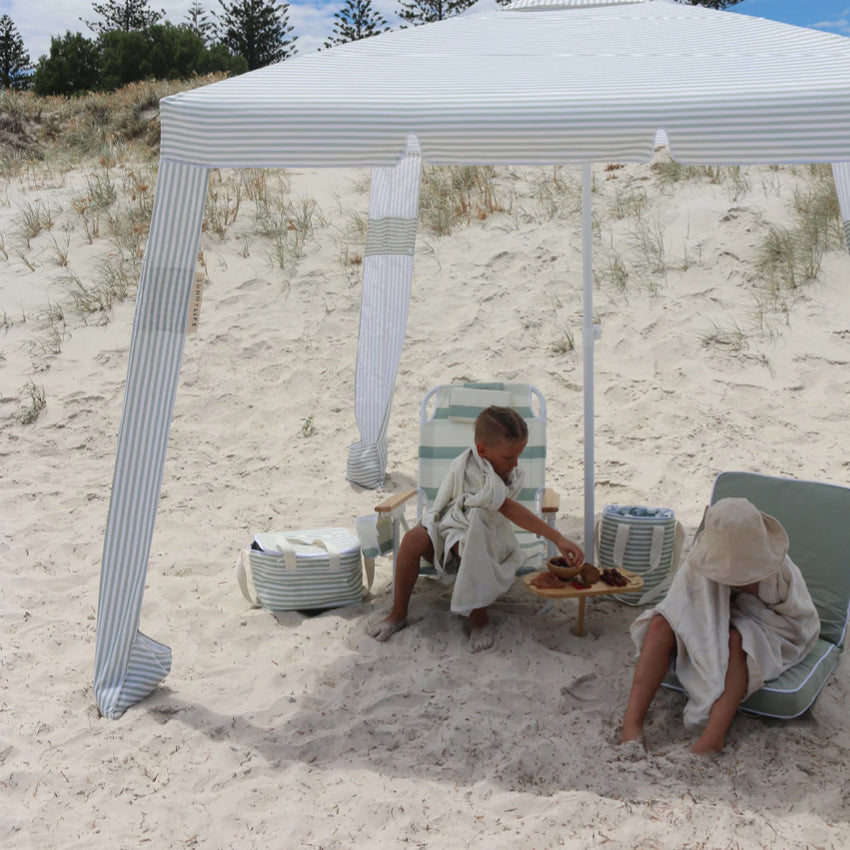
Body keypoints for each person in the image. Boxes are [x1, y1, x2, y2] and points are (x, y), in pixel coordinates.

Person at [368, 405, 584, 652]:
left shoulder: (508, 477)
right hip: (450, 527)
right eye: (508, 457)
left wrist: (558, 538)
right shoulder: (465, 466)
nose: (514, 464)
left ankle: (479, 618)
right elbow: (445, 506)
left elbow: (508, 509)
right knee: (412, 539)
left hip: (490, 540)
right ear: (482, 450)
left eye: (518, 456)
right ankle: (398, 613)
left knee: (470, 537)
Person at [621, 497, 819, 754]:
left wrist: (736, 617)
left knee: (739, 641)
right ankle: (631, 723)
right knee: (660, 623)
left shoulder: (777, 570)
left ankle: (713, 737)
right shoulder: (704, 560)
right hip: (716, 618)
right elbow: (682, 601)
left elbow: (798, 620)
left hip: (773, 626)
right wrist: (713, 621)